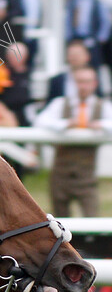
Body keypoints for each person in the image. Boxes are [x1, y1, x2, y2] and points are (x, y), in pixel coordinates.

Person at [34, 66, 112, 217]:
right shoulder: (60, 103)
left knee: (92, 218)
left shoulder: (103, 106)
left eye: (87, 82)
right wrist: (65, 124)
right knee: (61, 221)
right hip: (60, 174)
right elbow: (40, 121)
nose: (83, 86)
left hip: (87, 175)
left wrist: (100, 125)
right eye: (80, 82)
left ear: (94, 84)